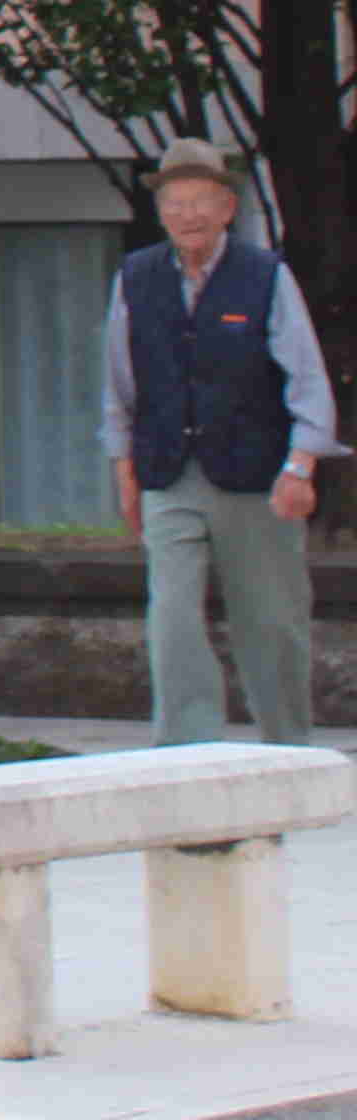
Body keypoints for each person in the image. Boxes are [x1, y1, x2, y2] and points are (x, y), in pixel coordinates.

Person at [105, 138, 333, 748]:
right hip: (167, 475)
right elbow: (119, 383)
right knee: (173, 617)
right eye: (176, 202)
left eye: (201, 200)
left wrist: (301, 465)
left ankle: (288, 750)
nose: (188, 214)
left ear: (227, 206)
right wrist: (123, 467)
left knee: (271, 623)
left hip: (256, 479)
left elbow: (307, 383)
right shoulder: (136, 277)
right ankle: (184, 755)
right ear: (162, 211)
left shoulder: (266, 277)